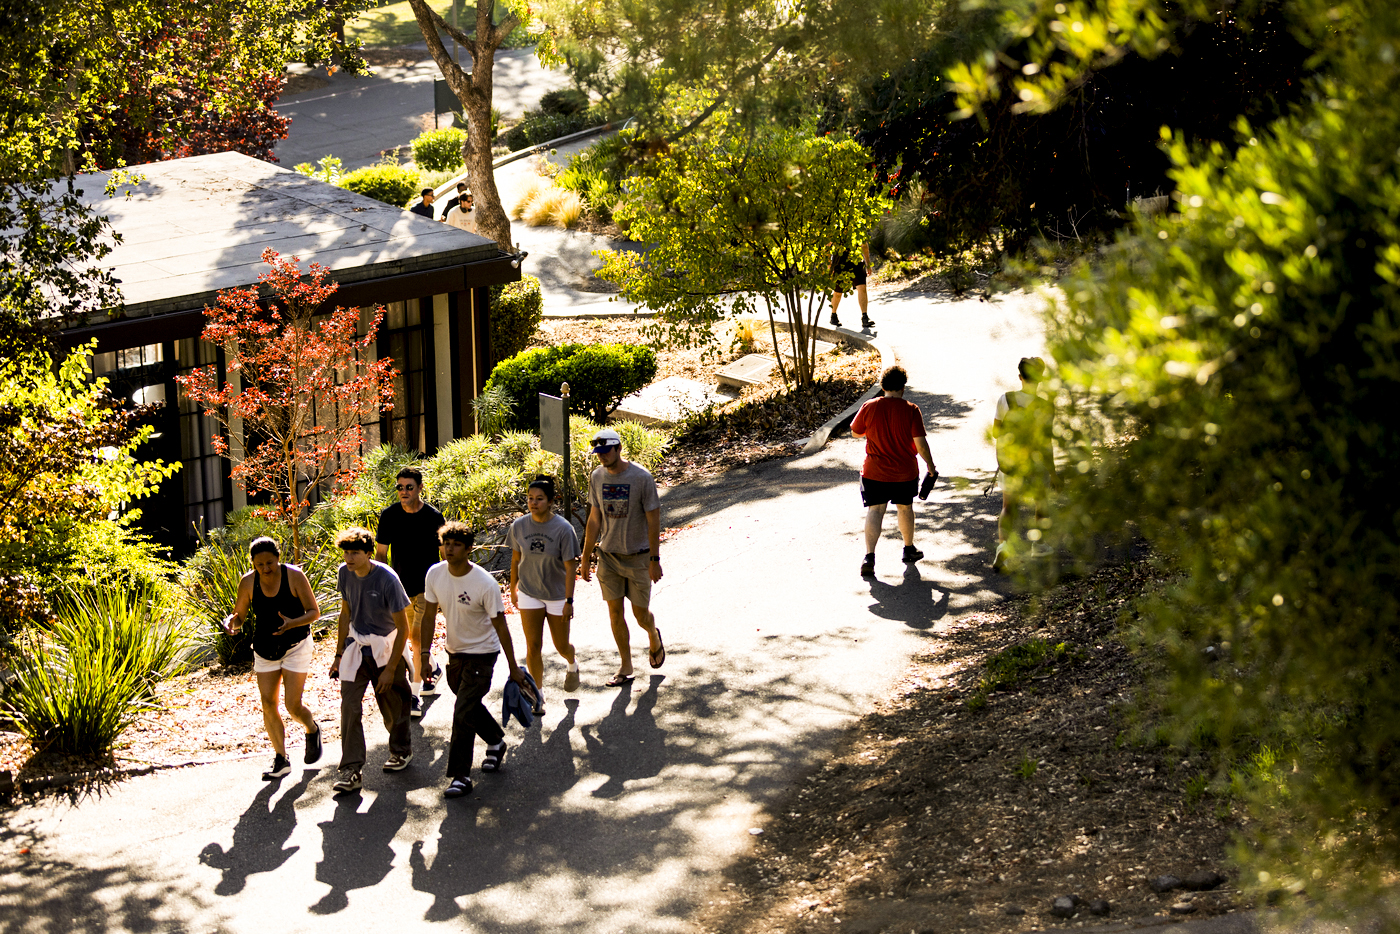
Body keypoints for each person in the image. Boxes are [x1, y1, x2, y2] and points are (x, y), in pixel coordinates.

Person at [421, 521, 527, 798]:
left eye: (456, 545)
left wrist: (513, 667)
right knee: (467, 703)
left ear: (469, 549)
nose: (450, 549)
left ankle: (460, 776)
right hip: (455, 653)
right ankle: (495, 741)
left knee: (463, 711)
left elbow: (501, 626)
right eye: (446, 544)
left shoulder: (484, 583)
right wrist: (423, 655)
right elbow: (429, 615)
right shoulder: (435, 574)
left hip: (482, 653)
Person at [224, 537, 322, 781]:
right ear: (253, 564)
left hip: (296, 644)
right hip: (265, 647)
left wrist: (291, 624)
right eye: (259, 564)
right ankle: (281, 758)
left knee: (292, 706)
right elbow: (240, 615)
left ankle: (312, 728)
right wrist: (231, 623)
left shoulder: (295, 576)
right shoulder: (248, 582)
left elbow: (314, 612)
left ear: (278, 558)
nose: (265, 568)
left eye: (270, 562)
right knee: (268, 703)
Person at [330, 527, 414, 794]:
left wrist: (390, 668)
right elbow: (346, 613)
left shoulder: (387, 579)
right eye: (346, 552)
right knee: (350, 706)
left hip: (386, 647)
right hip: (357, 647)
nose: (349, 558)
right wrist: (338, 654)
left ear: (369, 553)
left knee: (394, 705)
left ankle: (401, 751)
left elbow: (404, 627)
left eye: (355, 553)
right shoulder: (345, 573)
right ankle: (352, 770)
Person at [579, 428, 665, 687]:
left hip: (638, 557)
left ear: (618, 448)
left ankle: (653, 634)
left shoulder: (641, 478)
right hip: (609, 557)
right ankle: (626, 665)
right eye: (599, 453)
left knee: (640, 615)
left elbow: (653, 520)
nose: (602, 457)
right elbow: (594, 519)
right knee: (615, 612)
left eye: (606, 452)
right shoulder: (597, 477)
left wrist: (654, 559)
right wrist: (585, 557)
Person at [850, 365, 938, 578]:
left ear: (883, 386)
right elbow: (920, 444)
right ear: (903, 387)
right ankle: (908, 549)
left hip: (874, 472)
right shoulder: (911, 409)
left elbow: (855, 432)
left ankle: (869, 556)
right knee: (905, 509)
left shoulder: (869, 406)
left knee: (875, 510)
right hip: (903, 473)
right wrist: (931, 466)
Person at [375, 467, 445, 718]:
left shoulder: (433, 517)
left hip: (428, 589)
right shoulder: (389, 516)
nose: (403, 492)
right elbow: (381, 555)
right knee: (401, 640)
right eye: (400, 487)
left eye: (409, 487)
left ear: (420, 488)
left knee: (416, 638)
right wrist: (379, 586)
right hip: (399, 589)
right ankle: (433, 667)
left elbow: (445, 555)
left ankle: (414, 695)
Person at [508, 475, 581, 712]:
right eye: (530, 498)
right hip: (530, 591)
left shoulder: (563, 528)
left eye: (539, 499)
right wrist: (513, 588)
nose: (533, 503)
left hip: (557, 594)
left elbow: (571, 566)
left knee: (561, 646)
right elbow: (515, 559)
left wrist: (569, 600)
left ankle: (571, 663)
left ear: (551, 501)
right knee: (533, 646)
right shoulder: (519, 526)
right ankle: (538, 694)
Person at [991, 356, 1058, 572]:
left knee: (1008, 507)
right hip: (1036, 464)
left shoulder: (1006, 399)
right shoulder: (1046, 407)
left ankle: (1003, 546)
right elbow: (1046, 442)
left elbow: (995, 432)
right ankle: (1038, 544)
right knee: (1041, 503)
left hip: (1011, 463)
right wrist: (1054, 473)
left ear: (1020, 377)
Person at [829, 243, 874, 330]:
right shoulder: (838, 229)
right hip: (839, 262)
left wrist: (868, 263)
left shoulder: (857, 229)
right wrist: (829, 266)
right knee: (838, 292)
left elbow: (864, 245)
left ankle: (865, 317)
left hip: (856, 261)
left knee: (862, 287)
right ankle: (833, 314)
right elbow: (827, 246)